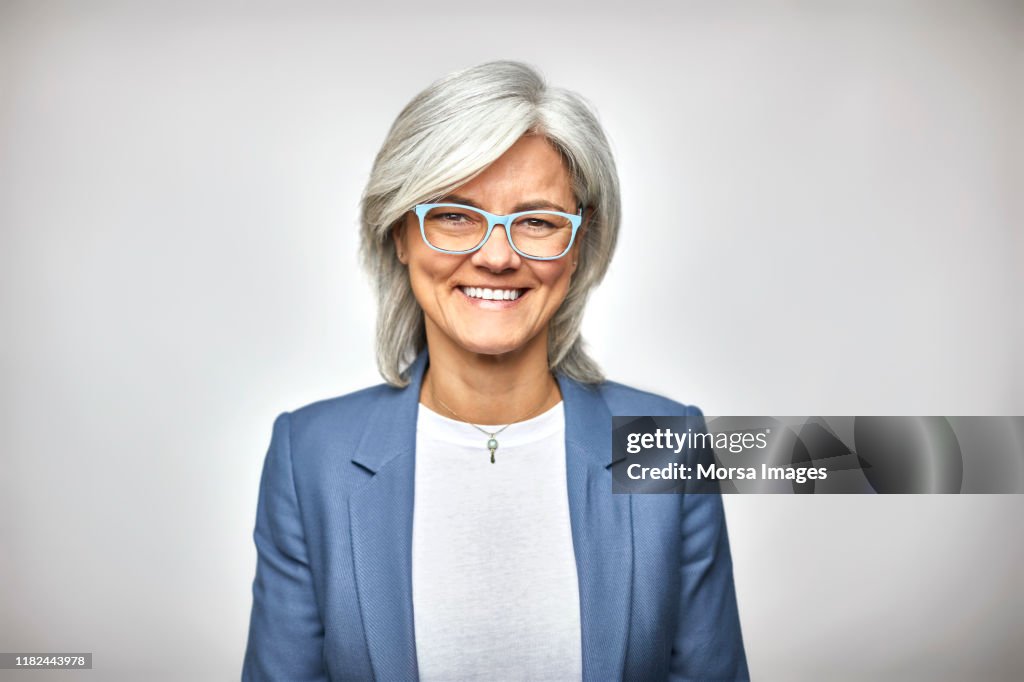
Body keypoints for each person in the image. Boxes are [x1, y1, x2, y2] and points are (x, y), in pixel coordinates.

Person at [242, 61, 748, 681]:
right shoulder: (310, 455)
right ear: (400, 233)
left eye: (537, 221)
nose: (497, 256)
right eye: (455, 214)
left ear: (581, 244)